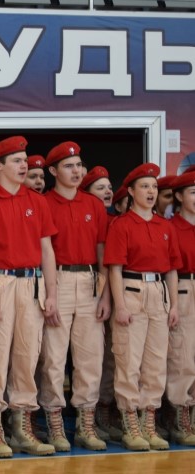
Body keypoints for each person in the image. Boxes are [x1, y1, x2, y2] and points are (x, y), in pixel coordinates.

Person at [0, 136, 59, 458]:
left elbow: (47, 250)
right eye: (17, 161)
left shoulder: (37, 201)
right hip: (0, 281)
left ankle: (22, 428)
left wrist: (52, 293)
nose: (24, 166)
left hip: (32, 283)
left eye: (25, 160)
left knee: (27, 356)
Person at [39, 142, 110, 452]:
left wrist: (105, 295)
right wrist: (50, 294)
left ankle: (85, 424)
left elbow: (102, 250)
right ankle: (55, 423)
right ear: (53, 171)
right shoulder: (43, 203)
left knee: (90, 358)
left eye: (79, 165)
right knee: (53, 358)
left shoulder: (93, 204)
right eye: (69, 166)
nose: (76, 171)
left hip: (90, 281)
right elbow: (44, 252)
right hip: (59, 280)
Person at [104, 163, 180, 452]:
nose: (151, 192)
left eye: (154, 187)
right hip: (132, 289)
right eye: (145, 187)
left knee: (156, 362)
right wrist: (121, 305)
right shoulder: (122, 225)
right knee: (129, 360)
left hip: (158, 292)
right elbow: (114, 269)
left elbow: (172, 269)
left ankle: (149, 421)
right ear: (131, 192)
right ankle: (130, 422)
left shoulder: (165, 226)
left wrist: (174, 305)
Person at [79, 166, 121, 441]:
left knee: (106, 357)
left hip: (106, 288)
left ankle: (101, 413)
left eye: (109, 187)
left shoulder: (117, 221)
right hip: (78, 286)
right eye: (100, 188)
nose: (107, 192)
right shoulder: (89, 214)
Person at [167, 170, 195, 446]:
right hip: (184, 288)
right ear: (179, 196)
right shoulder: (171, 227)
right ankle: (179, 416)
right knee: (183, 356)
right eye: (193, 193)